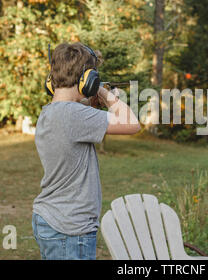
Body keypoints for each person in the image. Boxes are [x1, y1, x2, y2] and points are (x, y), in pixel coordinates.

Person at [32, 42, 140, 260]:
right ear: (88, 80)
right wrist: (103, 93)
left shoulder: (51, 112)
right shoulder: (73, 115)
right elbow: (132, 123)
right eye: (94, 79)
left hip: (51, 218)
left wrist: (89, 101)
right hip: (70, 227)